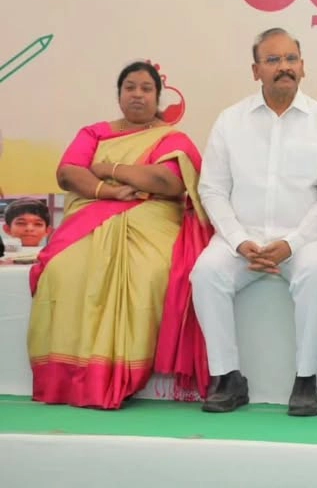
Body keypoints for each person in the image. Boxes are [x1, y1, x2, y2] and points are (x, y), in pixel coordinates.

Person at [27, 61, 213, 409]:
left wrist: (110, 168)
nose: (138, 94)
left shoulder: (172, 139)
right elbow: (68, 173)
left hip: (152, 224)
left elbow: (167, 182)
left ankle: (118, 373)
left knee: (147, 274)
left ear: (158, 97)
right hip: (92, 216)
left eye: (146, 88)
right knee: (61, 272)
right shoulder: (94, 133)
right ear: (119, 94)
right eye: (130, 87)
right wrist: (106, 189)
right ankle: (68, 376)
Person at [191, 28, 317, 417]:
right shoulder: (230, 121)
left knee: (314, 275)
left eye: (291, 59)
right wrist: (241, 241)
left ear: (303, 67)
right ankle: (227, 377)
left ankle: (306, 379)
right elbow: (211, 190)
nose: (284, 68)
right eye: (273, 60)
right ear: (255, 70)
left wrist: (291, 244)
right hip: (242, 239)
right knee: (206, 273)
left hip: (306, 240)